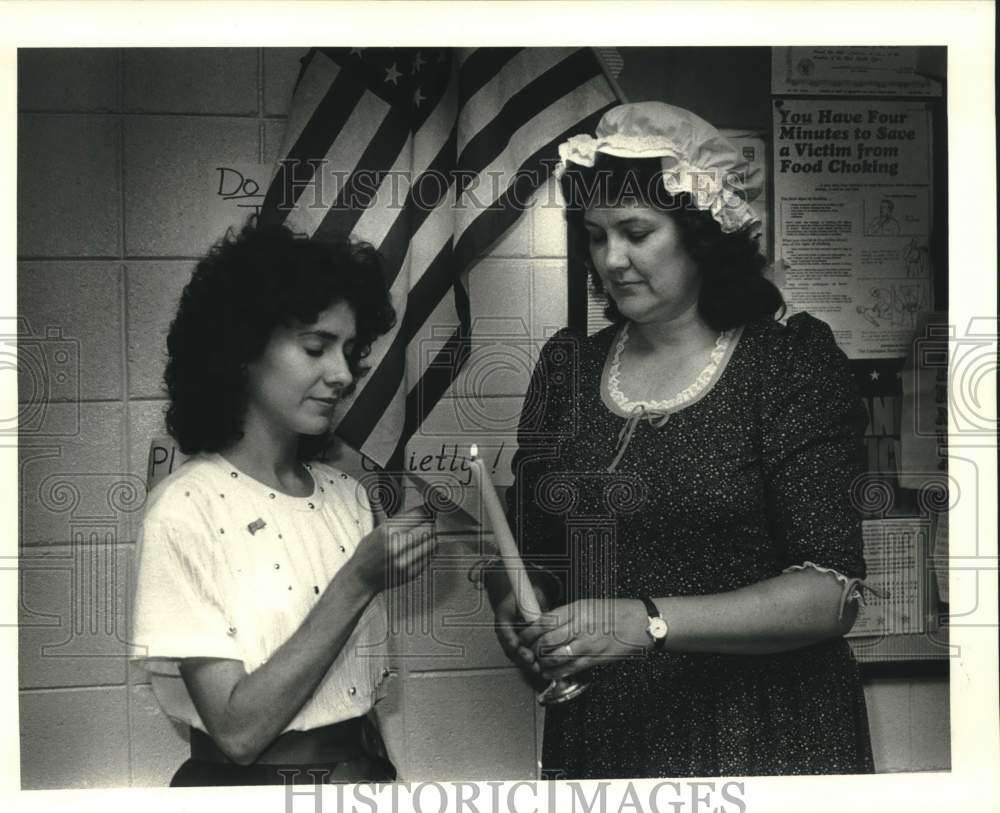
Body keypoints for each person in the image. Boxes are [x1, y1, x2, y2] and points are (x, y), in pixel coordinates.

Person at [489, 102, 877, 778]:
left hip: (764, 731)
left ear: (701, 233)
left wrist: (648, 622)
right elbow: (533, 548)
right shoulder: (569, 369)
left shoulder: (786, 365)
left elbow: (830, 593)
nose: (613, 258)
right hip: (607, 734)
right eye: (597, 234)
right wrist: (516, 604)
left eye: (637, 231)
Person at [130, 222, 437, 786]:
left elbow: (351, 702)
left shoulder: (349, 499)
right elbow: (238, 732)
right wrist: (359, 579)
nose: (343, 375)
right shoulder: (185, 510)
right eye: (316, 347)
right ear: (241, 350)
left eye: (350, 351)